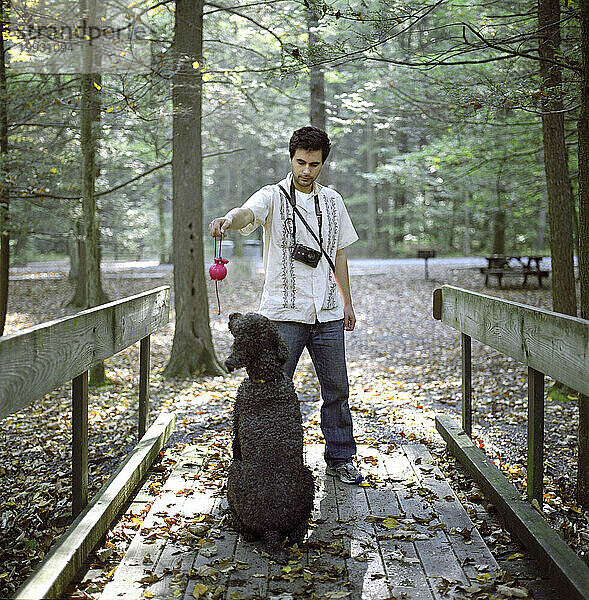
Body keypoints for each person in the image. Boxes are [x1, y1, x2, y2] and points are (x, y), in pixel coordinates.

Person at [209, 126, 362, 485]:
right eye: (300, 162)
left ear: (323, 162)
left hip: (327, 312)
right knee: (271, 389)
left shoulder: (333, 202)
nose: (306, 170)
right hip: (283, 314)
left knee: (337, 390)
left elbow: (339, 256)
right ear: (290, 158)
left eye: (314, 163)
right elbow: (246, 213)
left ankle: (340, 459)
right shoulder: (272, 196)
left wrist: (347, 303)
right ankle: (257, 461)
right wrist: (228, 221)